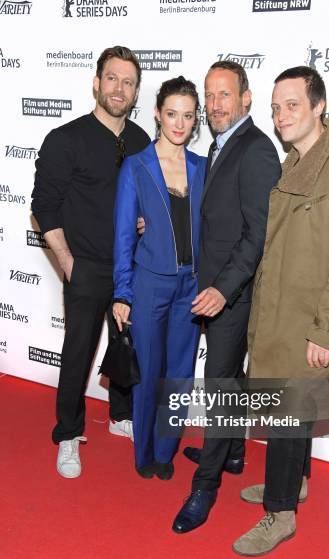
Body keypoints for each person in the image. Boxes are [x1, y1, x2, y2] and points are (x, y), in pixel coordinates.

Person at [232, 66, 329, 556]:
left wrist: (327, 330)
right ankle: (294, 484)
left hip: (312, 322)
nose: (281, 116)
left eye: (292, 104)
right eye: (275, 108)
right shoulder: (294, 163)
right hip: (282, 316)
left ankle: (280, 514)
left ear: (319, 106)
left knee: (288, 412)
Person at [172, 61, 281, 533]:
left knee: (218, 386)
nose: (215, 105)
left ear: (246, 98)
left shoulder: (255, 149)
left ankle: (205, 485)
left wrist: (223, 288)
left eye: (224, 95)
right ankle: (233, 450)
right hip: (217, 290)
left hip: (232, 295)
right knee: (229, 378)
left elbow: (258, 234)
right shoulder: (220, 145)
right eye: (210, 96)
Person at [31, 46, 150, 479]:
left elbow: (146, 203)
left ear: (136, 92)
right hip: (84, 267)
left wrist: (143, 223)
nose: (120, 89)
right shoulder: (66, 139)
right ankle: (68, 433)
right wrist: (67, 262)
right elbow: (44, 206)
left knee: (125, 345)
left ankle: (120, 415)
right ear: (97, 83)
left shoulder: (140, 142)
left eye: (129, 82)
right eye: (113, 79)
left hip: (129, 269)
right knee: (78, 352)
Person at [112, 76, 206, 480]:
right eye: (172, 114)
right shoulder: (137, 166)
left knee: (180, 375)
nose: (179, 123)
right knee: (148, 371)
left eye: (187, 115)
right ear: (157, 113)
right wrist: (123, 292)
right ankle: (144, 453)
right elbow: (121, 235)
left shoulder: (204, 167)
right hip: (150, 282)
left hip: (192, 286)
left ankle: (166, 451)